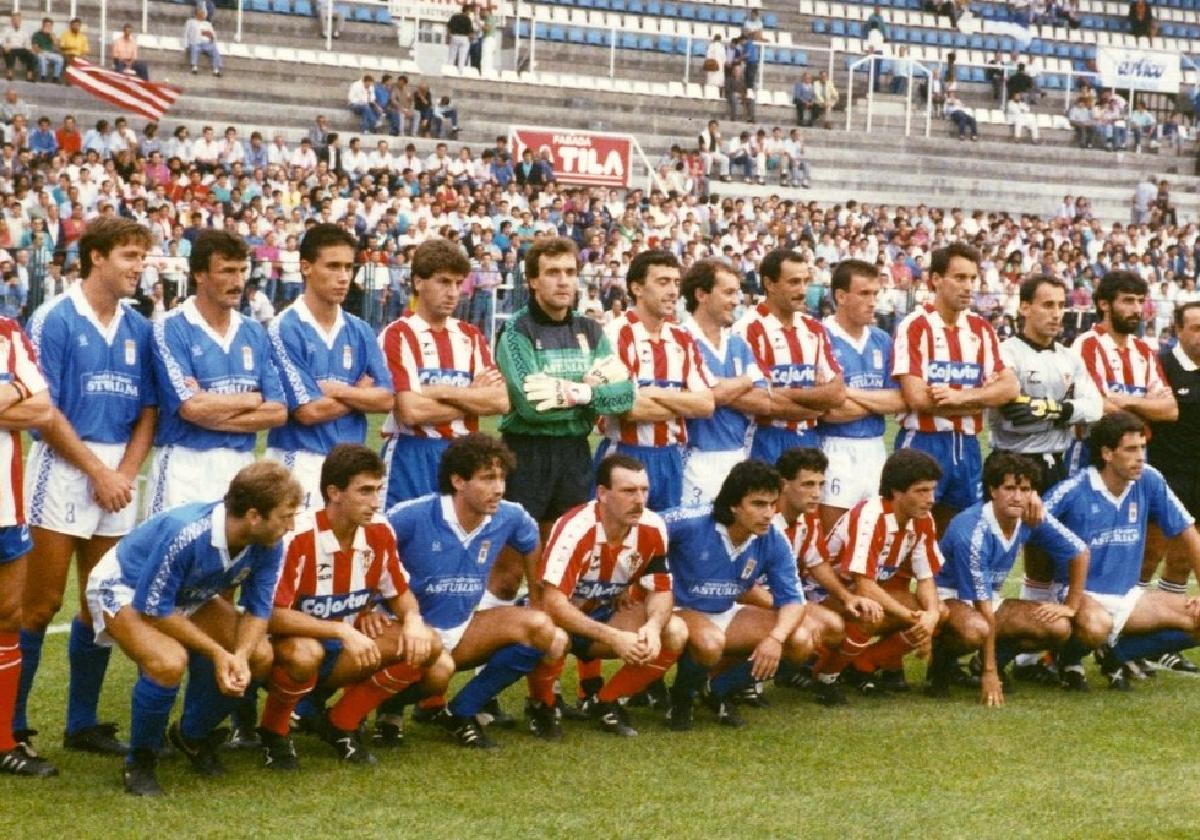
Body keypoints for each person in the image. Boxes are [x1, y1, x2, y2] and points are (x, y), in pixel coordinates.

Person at [17, 218, 157, 766]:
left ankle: (82, 723)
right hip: (64, 467)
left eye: (143, 257)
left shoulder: (139, 327)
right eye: (129, 255)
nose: (138, 267)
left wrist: (121, 471)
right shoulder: (54, 317)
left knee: (102, 601)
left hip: (119, 474)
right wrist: (98, 472)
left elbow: (148, 409)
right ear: (96, 257)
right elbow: (42, 408)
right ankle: (14, 723)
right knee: (38, 602)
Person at [84, 461, 302, 795]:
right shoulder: (187, 532)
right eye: (285, 516)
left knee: (259, 656)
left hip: (188, 593)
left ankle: (191, 736)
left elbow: (258, 609)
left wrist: (239, 656)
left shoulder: (270, 543)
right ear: (254, 515)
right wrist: (218, 653)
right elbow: (155, 608)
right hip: (124, 585)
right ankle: (139, 762)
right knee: (168, 661)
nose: (291, 525)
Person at [259, 445, 448, 767]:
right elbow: (272, 615)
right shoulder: (298, 535)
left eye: (378, 490)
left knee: (428, 644)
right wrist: (341, 630)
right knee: (306, 653)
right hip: (285, 650)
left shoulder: (379, 529)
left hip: (344, 647)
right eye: (364, 491)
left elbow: (399, 592)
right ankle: (273, 730)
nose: (375, 502)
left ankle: (341, 723)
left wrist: (413, 618)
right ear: (334, 492)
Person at [384, 434, 567, 749]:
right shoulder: (410, 515)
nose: (499, 488)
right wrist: (366, 610)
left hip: (461, 628)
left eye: (502, 478)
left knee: (543, 629)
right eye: (487, 479)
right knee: (438, 671)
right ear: (458, 480)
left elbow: (531, 539)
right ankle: (381, 709)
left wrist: (538, 602)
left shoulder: (511, 515)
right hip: (405, 631)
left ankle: (462, 711)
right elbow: (371, 553)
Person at [526, 454, 686, 737]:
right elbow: (552, 603)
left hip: (602, 614)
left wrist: (652, 625)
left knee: (673, 630)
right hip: (559, 620)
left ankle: (605, 702)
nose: (639, 500)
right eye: (628, 491)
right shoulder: (575, 528)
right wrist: (613, 637)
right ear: (602, 493)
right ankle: (542, 705)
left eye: (644, 490)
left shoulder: (653, 526)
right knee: (554, 640)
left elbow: (660, 589)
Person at [1045, 411, 1200, 690]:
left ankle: (1117, 654)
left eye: (1142, 447)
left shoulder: (1149, 479)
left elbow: (1189, 533)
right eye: (1131, 449)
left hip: (1128, 596)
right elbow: (1030, 526)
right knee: (1096, 626)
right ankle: (1065, 657)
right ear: (1107, 453)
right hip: (1080, 595)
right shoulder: (1073, 489)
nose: (1140, 456)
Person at [145, 230, 287, 516]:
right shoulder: (171, 327)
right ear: (199, 274)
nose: (237, 282)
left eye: (241, 271)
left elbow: (278, 412)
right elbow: (191, 408)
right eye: (226, 271)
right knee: (173, 557)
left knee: (234, 559)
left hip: (240, 466)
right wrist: (250, 400)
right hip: (184, 467)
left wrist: (207, 410)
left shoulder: (254, 331)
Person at [932, 452, 1093, 703]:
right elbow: (980, 606)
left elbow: (1079, 552)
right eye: (1009, 488)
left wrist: (1071, 606)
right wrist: (991, 674)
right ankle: (942, 661)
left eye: (1025, 489)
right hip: (947, 597)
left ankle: (984, 661)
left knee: (1058, 627)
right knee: (976, 629)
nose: (1017, 496)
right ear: (993, 490)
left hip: (988, 599)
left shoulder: (1029, 517)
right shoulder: (971, 531)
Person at [665, 460, 813, 730]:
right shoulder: (691, 521)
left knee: (800, 640)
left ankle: (715, 689)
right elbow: (642, 533)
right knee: (710, 643)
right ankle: (681, 698)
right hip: (678, 609)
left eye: (772, 504)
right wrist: (634, 584)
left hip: (724, 611)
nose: (769, 514)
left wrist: (775, 638)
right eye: (758, 504)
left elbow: (793, 601)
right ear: (733, 504)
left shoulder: (773, 538)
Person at [265, 223, 394, 511]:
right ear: (306, 267)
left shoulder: (359, 329)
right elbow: (308, 411)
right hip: (299, 461)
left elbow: (386, 398)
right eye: (333, 266)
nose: (344, 277)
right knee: (296, 552)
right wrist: (359, 394)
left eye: (348, 267)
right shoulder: (285, 328)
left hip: (350, 465)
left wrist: (337, 390)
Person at [892, 242, 1019, 533]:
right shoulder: (915, 326)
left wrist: (961, 396)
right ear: (936, 280)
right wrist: (983, 400)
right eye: (960, 278)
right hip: (924, 441)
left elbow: (1009, 387)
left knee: (958, 535)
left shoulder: (981, 329)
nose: (968, 286)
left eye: (973, 279)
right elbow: (917, 397)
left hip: (968, 445)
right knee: (909, 534)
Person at [378, 237, 507, 506]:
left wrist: (439, 391)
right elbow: (410, 411)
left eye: (458, 284)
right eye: (443, 282)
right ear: (418, 282)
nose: (452, 292)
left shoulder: (470, 336)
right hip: (412, 453)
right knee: (403, 539)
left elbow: (501, 401)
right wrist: (472, 398)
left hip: (464, 455)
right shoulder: (397, 334)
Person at [812, 449, 947, 697]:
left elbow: (926, 578)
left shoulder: (923, 518)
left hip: (859, 593)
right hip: (823, 594)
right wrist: (914, 618)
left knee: (941, 611)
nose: (931, 499)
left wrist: (930, 615)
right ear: (896, 491)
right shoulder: (871, 516)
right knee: (870, 611)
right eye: (922, 491)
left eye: (932, 490)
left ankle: (861, 664)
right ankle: (823, 676)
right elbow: (864, 587)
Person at [599, 250, 715, 513]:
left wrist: (651, 393)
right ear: (637, 288)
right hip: (625, 454)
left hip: (672, 456)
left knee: (663, 541)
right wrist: (682, 402)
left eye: (675, 282)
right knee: (617, 540)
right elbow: (627, 409)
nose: (673, 291)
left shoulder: (681, 338)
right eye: (662, 282)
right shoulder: (615, 334)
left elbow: (706, 404)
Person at [765, 447, 877, 705]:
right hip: (754, 599)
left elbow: (818, 564)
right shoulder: (765, 520)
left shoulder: (809, 518)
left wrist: (846, 597)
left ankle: (819, 676)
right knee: (809, 631)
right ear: (784, 485)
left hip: (788, 598)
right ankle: (729, 684)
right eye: (807, 484)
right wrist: (794, 611)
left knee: (851, 617)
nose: (817, 492)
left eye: (820, 484)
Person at [733, 247, 845, 465]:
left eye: (805, 281)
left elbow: (837, 393)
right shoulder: (748, 329)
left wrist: (782, 393)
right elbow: (760, 399)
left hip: (809, 439)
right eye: (793, 282)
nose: (803, 290)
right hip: (765, 438)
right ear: (769, 284)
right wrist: (816, 404)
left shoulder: (814, 327)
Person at [990, 275, 1103, 491]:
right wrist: (1067, 414)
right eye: (1048, 305)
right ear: (1025, 308)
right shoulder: (1005, 353)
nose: (1057, 314)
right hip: (1011, 464)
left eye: (1061, 306)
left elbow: (1095, 408)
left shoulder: (1070, 358)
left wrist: (1054, 409)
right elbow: (1014, 413)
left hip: (1056, 464)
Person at [0, 317, 53, 777]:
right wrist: (19, 388)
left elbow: (42, 412)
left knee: (7, 616)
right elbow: (29, 398)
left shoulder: (7, 331)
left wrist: (17, 393)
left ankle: (2, 742)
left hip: (5, 504)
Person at [817, 259, 905, 532]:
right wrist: (877, 402)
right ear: (841, 296)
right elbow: (829, 410)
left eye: (875, 294)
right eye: (864, 294)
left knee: (872, 540)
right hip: (834, 448)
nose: (873, 302)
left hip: (875, 448)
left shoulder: (882, 340)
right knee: (833, 542)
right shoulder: (819, 336)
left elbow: (901, 400)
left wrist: (848, 393)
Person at [678, 259, 769, 508]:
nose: (736, 300)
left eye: (737, 292)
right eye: (728, 292)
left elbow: (763, 401)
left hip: (738, 456)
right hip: (693, 459)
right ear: (701, 294)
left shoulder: (739, 344)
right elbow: (688, 398)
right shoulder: (679, 340)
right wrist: (746, 380)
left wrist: (713, 390)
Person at [1142, 300, 1200, 673]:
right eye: (1195, 327)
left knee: (1182, 561)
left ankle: (1160, 644)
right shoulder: (1162, 364)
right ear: (1178, 329)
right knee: (1148, 557)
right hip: (1168, 474)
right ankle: (1123, 632)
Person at [183, 6, 222, 77]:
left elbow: (213, 34)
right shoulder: (190, 22)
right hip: (195, 42)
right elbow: (186, 33)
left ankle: (216, 70)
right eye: (200, 14)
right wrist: (186, 45)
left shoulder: (207, 24)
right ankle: (194, 67)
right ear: (196, 14)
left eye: (203, 14)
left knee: (214, 49)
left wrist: (211, 37)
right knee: (195, 48)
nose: (202, 15)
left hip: (206, 42)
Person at [2, 13, 38, 82]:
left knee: (31, 54)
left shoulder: (25, 30)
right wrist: (5, 46)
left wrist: (30, 49)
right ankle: (9, 74)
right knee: (8, 52)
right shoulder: (6, 30)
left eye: (18, 20)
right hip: (10, 48)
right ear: (11, 21)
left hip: (21, 48)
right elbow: (2, 39)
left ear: (21, 21)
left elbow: (27, 42)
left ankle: (29, 76)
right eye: (14, 20)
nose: (16, 22)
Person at [31, 18, 63, 83]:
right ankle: (43, 77)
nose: (47, 27)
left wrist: (52, 36)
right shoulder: (37, 34)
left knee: (60, 59)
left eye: (49, 26)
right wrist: (42, 52)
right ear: (42, 25)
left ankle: (56, 77)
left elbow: (57, 46)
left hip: (50, 53)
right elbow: (35, 47)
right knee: (43, 58)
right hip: (40, 52)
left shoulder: (52, 35)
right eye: (46, 25)